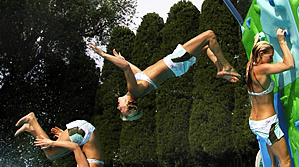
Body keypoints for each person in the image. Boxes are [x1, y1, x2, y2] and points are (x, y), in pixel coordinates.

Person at [89, 29, 240, 121]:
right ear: (129, 106)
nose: (117, 107)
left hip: (175, 64)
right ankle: (227, 67)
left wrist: (122, 59)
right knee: (209, 35)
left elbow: (136, 71)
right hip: (175, 62)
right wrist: (103, 54)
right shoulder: (134, 91)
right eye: (120, 109)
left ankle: (220, 69)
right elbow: (126, 68)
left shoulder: (136, 88)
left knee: (207, 47)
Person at [246, 30, 299, 167]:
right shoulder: (261, 69)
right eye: (269, 56)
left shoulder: (250, 67)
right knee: (287, 162)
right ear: (261, 55)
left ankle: (272, 164)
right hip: (268, 124)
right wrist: (281, 40)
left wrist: (256, 41)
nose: (270, 60)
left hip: (255, 122)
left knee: (267, 140)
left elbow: (253, 55)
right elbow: (289, 64)